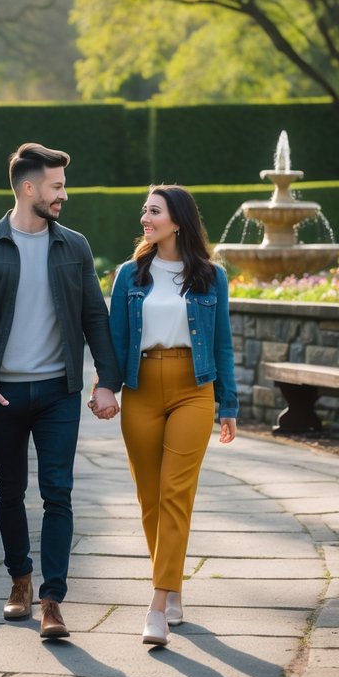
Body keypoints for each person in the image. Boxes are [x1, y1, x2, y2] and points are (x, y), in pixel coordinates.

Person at [0, 142, 121, 639]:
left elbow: (95, 316)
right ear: (30, 188)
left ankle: (52, 600)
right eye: (57, 186)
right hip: (1, 394)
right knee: (10, 490)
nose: (64, 195)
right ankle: (19, 582)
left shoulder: (74, 245)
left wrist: (107, 380)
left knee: (58, 493)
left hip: (57, 393)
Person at [105, 184, 238, 647]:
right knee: (150, 498)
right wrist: (106, 387)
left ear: (177, 220)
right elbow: (115, 338)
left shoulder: (210, 276)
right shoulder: (129, 275)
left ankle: (157, 605)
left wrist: (230, 404)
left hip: (193, 389)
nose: (146, 217)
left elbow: (222, 343)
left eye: (154, 210)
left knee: (175, 492)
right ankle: (174, 585)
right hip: (141, 388)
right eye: (144, 209)